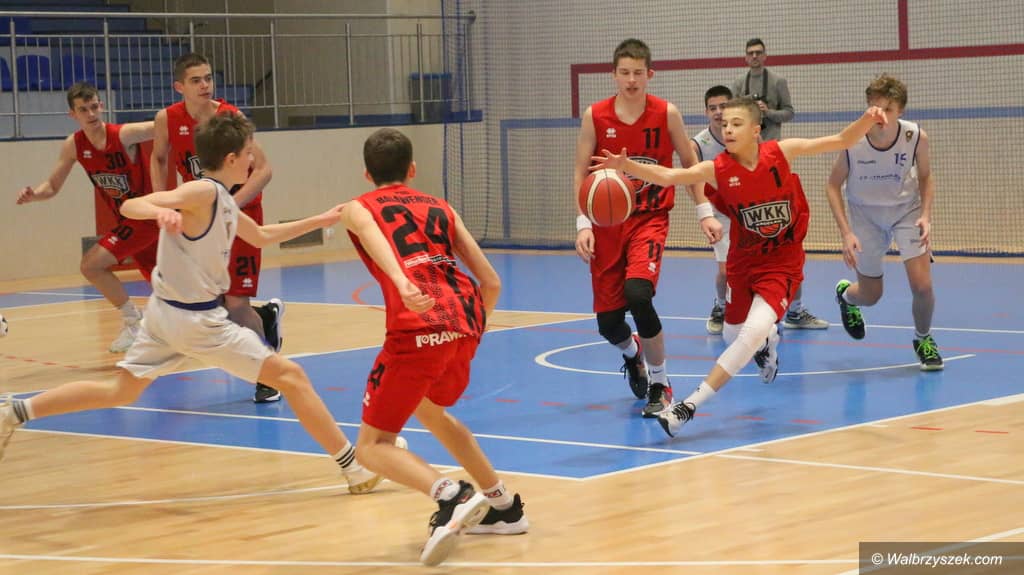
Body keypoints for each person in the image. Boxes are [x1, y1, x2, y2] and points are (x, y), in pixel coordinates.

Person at [0, 114, 389, 494]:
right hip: (196, 322)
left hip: (165, 316)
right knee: (292, 377)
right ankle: (354, 468)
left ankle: (15, 412)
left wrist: (321, 219)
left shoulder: (222, 199)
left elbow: (261, 235)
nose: (253, 159)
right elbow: (130, 206)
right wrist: (160, 211)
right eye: (249, 153)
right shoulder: (203, 192)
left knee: (120, 391)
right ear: (232, 159)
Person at [590, 97, 887, 436]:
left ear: (756, 130)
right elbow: (672, 176)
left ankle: (687, 407)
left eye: (736, 123)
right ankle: (768, 341)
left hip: (782, 265)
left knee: (747, 336)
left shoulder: (781, 152)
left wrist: (868, 118)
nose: (727, 129)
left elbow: (841, 140)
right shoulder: (718, 169)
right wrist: (628, 165)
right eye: (724, 124)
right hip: (743, 262)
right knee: (732, 334)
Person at [344, 128, 527, 566]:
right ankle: (504, 507)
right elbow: (491, 282)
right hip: (465, 320)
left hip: (417, 327)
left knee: (371, 446)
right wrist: (471, 330)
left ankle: (450, 493)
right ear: (412, 169)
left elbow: (370, 232)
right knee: (430, 411)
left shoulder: (359, 206)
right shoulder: (442, 207)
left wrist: (403, 282)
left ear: (366, 174)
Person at [574, 38, 717, 418]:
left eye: (638, 72)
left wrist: (704, 210)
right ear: (614, 75)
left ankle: (660, 383)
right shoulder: (595, 115)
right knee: (609, 324)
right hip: (606, 226)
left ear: (650, 74)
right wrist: (583, 222)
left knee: (638, 295)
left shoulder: (666, 113)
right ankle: (632, 352)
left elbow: (689, 164)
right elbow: (580, 170)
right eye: (625, 72)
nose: (631, 80)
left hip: (649, 219)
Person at [151, 52, 282, 403]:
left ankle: (269, 375)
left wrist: (229, 206)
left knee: (236, 303)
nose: (205, 85)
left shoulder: (230, 117)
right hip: (203, 217)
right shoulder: (167, 119)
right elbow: (159, 157)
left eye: (208, 78)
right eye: (196, 80)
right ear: (179, 86)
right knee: (218, 303)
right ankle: (265, 318)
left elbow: (264, 169)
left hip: (241, 214)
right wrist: (164, 201)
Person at [16, 82, 158, 353]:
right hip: (127, 222)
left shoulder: (123, 134)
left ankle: (134, 323)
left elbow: (163, 124)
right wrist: (34, 195)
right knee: (168, 284)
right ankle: (207, 321)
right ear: (73, 114)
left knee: (91, 266)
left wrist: (202, 117)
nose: (91, 114)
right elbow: (52, 186)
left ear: (101, 106)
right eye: (83, 109)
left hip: (146, 217)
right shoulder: (74, 145)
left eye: (94, 107)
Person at [825, 74, 942, 370]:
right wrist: (846, 232)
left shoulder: (915, 137)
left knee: (922, 286)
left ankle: (923, 338)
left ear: (900, 110)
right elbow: (832, 185)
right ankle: (846, 296)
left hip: (906, 211)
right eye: (876, 108)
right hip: (865, 215)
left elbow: (926, 177)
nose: (881, 115)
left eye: (888, 109)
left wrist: (926, 216)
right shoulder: (852, 140)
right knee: (871, 295)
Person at [731, 38, 828, 331]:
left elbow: (789, 112)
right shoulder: (738, 83)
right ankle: (740, 309)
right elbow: (732, 116)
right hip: (746, 165)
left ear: (765, 55)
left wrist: (766, 112)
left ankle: (794, 310)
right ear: (745, 57)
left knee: (786, 238)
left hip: (773, 163)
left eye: (759, 53)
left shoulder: (777, 81)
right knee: (747, 240)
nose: (755, 57)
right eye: (750, 53)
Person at [690, 85, 733, 335]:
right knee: (726, 270)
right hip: (719, 214)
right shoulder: (698, 144)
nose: (718, 112)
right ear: (706, 112)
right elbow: (691, 182)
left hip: (746, 211)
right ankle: (720, 306)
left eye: (723, 106)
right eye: (712, 108)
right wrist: (705, 213)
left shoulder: (745, 135)